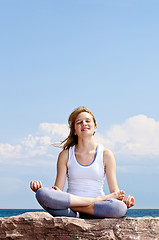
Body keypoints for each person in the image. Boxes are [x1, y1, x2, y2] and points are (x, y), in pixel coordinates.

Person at [30, 106, 135, 218]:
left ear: (95, 127)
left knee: (119, 208)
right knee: (41, 193)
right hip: (70, 212)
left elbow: (115, 192)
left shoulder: (106, 154)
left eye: (88, 121)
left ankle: (90, 204)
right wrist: (45, 191)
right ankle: (93, 201)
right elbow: (58, 190)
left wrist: (124, 201)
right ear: (74, 131)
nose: (84, 124)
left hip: (98, 208)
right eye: (79, 122)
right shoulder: (65, 155)